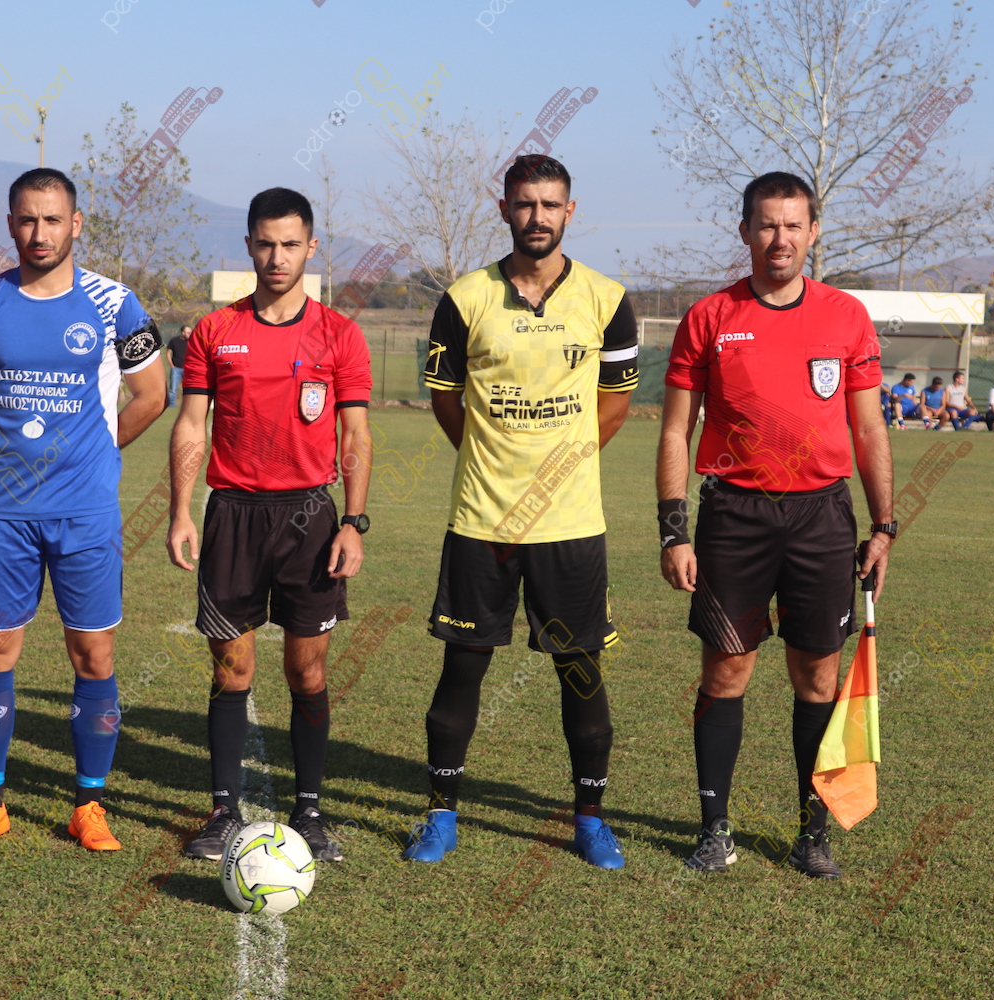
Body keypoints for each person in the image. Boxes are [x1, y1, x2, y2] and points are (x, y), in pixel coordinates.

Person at [401, 154, 637, 869]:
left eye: (550, 204)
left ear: (570, 211)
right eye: (525, 204)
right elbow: (447, 400)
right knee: (461, 670)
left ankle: (590, 820)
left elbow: (615, 403)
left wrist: (562, 465)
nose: (538, 216)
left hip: (571, 524)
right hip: (483, 520)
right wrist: (493, 459)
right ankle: (441, 814)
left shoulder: (607, 298)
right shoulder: (465, 297)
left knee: (581, 674)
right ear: (504, 208)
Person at [658, 171, 894, 880]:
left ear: (813, 232)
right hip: (734, 514)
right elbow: (675, 431)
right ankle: (714, 830)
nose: (780, 238)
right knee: (726, 669)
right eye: (767, 224)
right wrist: (674, 529)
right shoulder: (709, 317)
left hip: (822, 515)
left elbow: (868, 429)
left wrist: (884, 525)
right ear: (745, 232)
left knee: (817, 676)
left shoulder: (846, 316)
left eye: (793, 225)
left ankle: (811, 834)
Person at [0, 168, 165, 852]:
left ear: (76, 224)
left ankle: (89, 805)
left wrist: (98, 453)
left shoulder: (116, 303)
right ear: (11, 224)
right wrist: (0, 445)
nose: (40, 232)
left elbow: (153, 394)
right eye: (28, 219)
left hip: (86, 512)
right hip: (4, 511)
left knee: (93, 653)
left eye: (53, 219)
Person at [167, 187, 373, 865]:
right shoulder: (214, 331)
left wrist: (354, 521)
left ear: (311, 247)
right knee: (232, 669)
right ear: (249, 247)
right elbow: (191, 425)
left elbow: (355, 435)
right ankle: (223, 811)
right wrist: (180, 510)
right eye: (265, 244)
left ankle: (309, 812)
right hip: (233, 514)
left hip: (310, 517)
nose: (277, 257)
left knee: (307, 671)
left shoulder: (339, 335)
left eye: (290, 244)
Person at [166, 324, 190, 407]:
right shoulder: (174, 341)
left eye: (190, 332)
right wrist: (172, 366)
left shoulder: (192, 342)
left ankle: (187, 405)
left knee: (188, 389)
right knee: (173, 389)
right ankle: (171, 405)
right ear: (183, 333)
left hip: (187, 369)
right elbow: (168, 353)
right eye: (188, 333)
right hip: (176, 369)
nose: (190, 334)